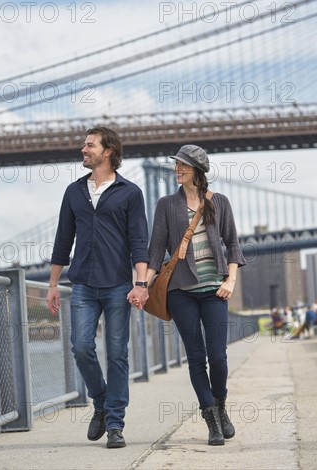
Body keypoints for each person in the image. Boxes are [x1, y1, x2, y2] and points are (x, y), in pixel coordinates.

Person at [130, 145, 246, 446]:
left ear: (197, 169)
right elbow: (156, 252)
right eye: (176, 165)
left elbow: (233, 244)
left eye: (182, 165)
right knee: (196, 359)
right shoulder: (166, 205)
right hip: (181, 292)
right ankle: (211, 420)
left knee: (218, 358)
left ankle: (220, 405)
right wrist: (143, 286)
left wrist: (231, 280)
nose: (176, 169)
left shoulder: (219, 202)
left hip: (215, 291)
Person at [46, 126, 149, 449]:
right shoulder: (73, 191)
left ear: (108, 151)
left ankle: (115, 424)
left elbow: (139, 242)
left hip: (119, 284)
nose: (83, 149)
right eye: (83, 145)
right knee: (80, 346)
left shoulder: (130, 192)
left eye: (89, 145)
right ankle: (101, 400)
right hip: (83, 285)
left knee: (118, 355)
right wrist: (52, 284)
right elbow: (63, 240)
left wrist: (141, 283)